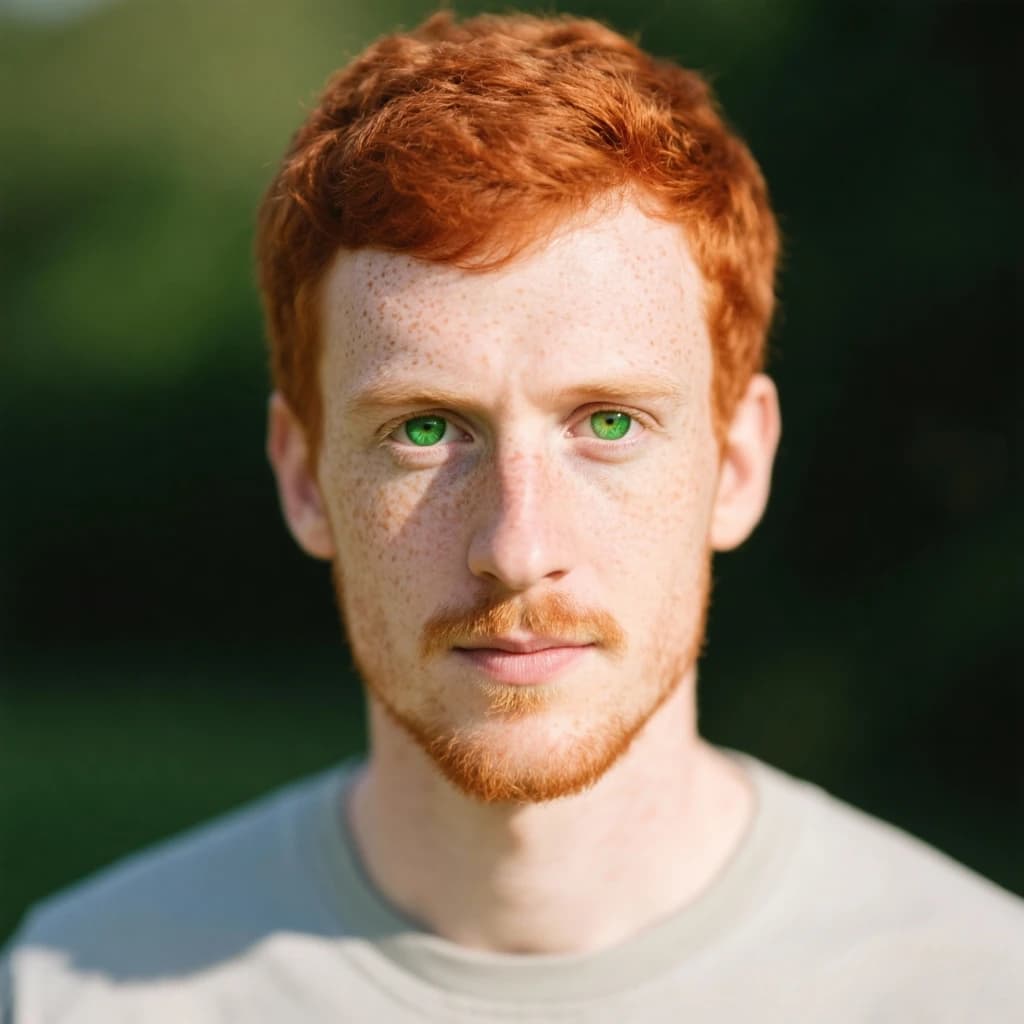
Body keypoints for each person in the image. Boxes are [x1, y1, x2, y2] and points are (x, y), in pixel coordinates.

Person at [2, 10, 1020, 1023]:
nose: (518, 549)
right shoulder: (77, 988)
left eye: (609, 422)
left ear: (738, 464)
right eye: (426, 428)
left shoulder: (974, 988)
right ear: (304, 475)